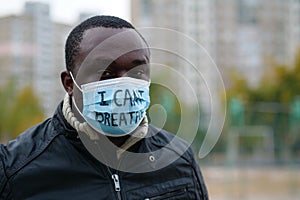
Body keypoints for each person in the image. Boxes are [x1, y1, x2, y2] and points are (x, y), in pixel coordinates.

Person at [0, 15, 208, 199]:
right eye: (105, 73)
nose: (123, 85)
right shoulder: (15, 170)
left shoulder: (178, 158)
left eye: (137, 72)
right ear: (69, 83)